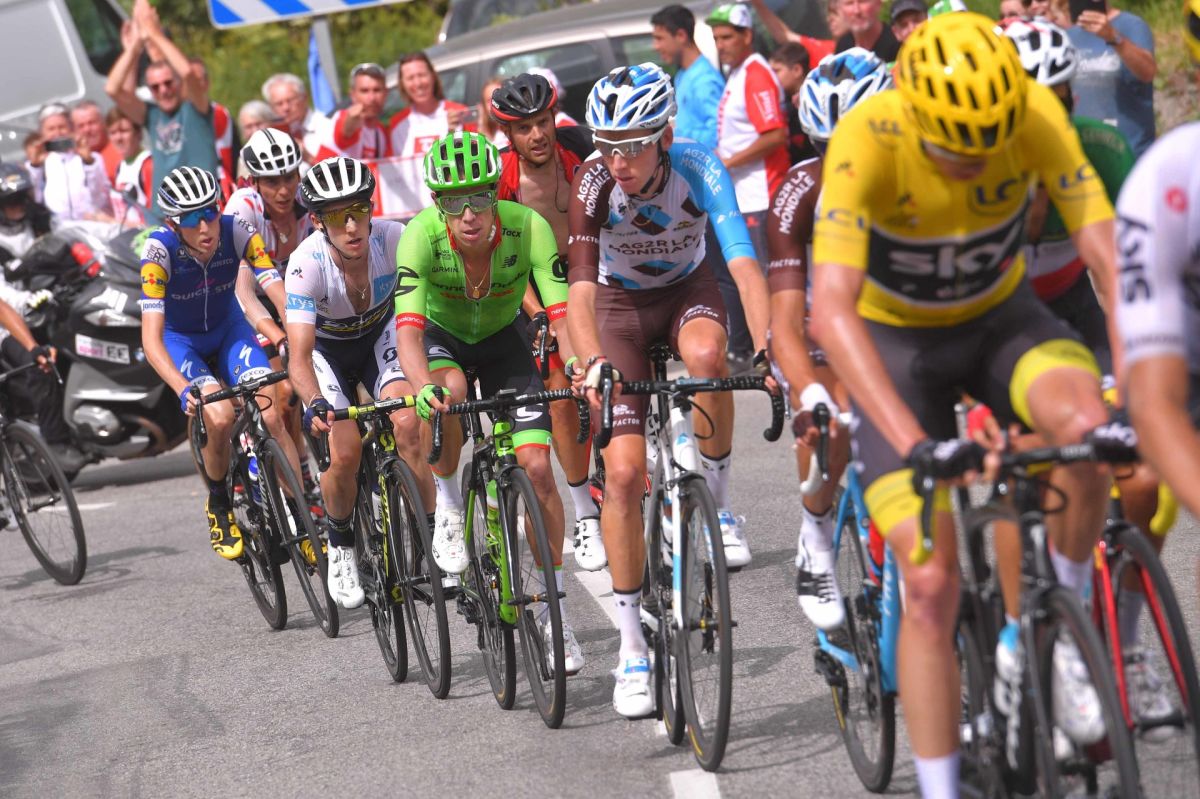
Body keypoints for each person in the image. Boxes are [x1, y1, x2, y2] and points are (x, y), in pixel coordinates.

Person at [809, 13, 1119, 796]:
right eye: (955, 145)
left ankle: (1055, 635)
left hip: (1000, 323)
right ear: (913, 114)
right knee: (929, 583)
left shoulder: (1033, 110)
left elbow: (1108, 254)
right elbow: (831, 312)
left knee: (1090, 434)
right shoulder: (868, 138)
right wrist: (915, 442)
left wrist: (1135, 388)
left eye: (990, 140)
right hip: (896, 347)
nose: (975, 159)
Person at [569, 64, 771, 716]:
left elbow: (743, 262)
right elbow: (579, 291)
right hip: (619, 309)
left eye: (632, 145)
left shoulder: (698, 165)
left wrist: (767, 345)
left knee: (710, 356)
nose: (618, 161)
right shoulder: (594, 182)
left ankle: (720, 504)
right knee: (625, 474)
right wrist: (592, 361)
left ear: (664, 135)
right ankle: (631, 644)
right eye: (607, 145)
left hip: (688, 291)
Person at [393, 131, 583, 674]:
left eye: (480, 197)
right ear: (437, 203)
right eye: (455, 202)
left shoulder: (528, 227)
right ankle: (451, 505)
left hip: (504, 340)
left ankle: (551, 613)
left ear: (496, 193)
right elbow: (408, 332)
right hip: (443, 340)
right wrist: (421, 386)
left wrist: (576, 364)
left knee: (537, 469)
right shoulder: (419, 236)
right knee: (449, 394)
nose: (470, 214)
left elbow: (562, 314)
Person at [768, 48, 892, 631]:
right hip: (822, 322)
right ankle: (816, 537)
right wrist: (811, 393)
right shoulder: (798, 192)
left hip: (891, 316)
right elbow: (787, 323)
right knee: (832, 421)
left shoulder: (921, 170)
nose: (843, 164)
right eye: (826, 148)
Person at [287, 156, 427, 609]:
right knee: (344, 450)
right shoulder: (305, 265)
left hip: (379, 338)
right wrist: (314, 401)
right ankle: (342, 545)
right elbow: (299, 356)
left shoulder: (395, 239)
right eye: (336, 217)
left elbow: (418, 315)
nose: (351, 226)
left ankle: (429, 533)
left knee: (408, 421)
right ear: (318, 222)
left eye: (358, 211)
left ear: (371, 209)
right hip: (327, 353)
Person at [139, 166, 293, 561]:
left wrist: (293, 334)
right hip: (182, 342)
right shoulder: (158, 252)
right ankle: (220, 503)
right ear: (174, 223)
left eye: (209, 211)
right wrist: (181, 388)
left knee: (271, 407)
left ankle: (299, 513)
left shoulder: (237, 229)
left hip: (229, 331)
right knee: (221, 417)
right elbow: (151, 339)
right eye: (192, 218)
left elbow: (275, 287)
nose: (205, 226)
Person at [490, 73, 602, 571]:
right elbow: (504, 260)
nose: (537, 135)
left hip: (588, 271)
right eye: (524, 128)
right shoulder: (502, 180)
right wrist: (540, 316)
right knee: (561, 391)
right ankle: (585, 513)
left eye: (542, 122)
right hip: (533, 284)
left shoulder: (581, 150)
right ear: (507, 134)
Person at [226, 130, 316, 498]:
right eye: (272, 182)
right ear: (255, 182)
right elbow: (244, 292)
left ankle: (301, 472)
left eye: (289, 178)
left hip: (291, 296)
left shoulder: (308, 198)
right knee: (280, 394)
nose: (283, 190)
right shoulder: (242, 208)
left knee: (296, 393)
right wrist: (281, 336)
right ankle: (258, 453)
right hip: (248, 300)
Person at [0, 165, 86, 475]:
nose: (18, 206)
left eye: (22, 197)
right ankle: (56, 441)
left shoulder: (42, 220)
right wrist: (27, 302)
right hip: (7, 324)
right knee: (38, 361)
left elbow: (77, 233)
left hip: (48, 308)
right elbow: (3, 300)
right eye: (10, 201)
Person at [105, 0, 218, 221]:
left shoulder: (195, 107)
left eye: (168, 83)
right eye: (155, 87)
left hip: (200, 211)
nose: (163, 90)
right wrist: (134, 47)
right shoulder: (152, 115)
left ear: (177, 83)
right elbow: (113, 89)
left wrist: (153, 33)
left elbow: (187, 73)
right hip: (163, 216)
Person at [1063, 1, 1157, 158]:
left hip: (1130, 153)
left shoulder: (1132, 25)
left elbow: (1148, 72)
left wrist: (1114, 37)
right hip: (1088, 155)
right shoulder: (1068, 35)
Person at [651, 5, 725, 151]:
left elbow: (719, 135)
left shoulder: (704, 80)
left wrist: (674, 134)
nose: (656, 46)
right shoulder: (683, 74)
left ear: (681, 36)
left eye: (660, 38)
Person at [30, 104, 112, 222]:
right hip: (58, 226)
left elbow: (100, 196)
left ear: (71, 128)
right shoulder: (40, 163)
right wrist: (35, 167)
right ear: (42, 133)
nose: (57, 133)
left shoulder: (92, 158)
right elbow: (35, 198)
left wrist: (89, 162)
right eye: (51, 129)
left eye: (62, 127)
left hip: (91, 223)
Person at [388, 52, 472, 166]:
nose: (418, 83)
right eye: (410, 78)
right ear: (402, 84)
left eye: (422, 75)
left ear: (433, 76)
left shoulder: (459, 113)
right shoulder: (395, 124)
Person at [314, 62, 389, 162]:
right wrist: (352, 119)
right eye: (364, 91)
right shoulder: (341, 117)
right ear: (352, 95)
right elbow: (346, 129)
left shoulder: (381, 131)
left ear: (386, 93)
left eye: (377, 90)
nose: (372, 98)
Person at [189, 57, 235, 196]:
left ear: (207, 83)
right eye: (191, 80)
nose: (195, 85)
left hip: (218, 185)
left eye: (198, 80)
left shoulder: (218, 113)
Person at [768, 42, 818, 163]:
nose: (771, 77)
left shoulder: (819, 102)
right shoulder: (782, 103)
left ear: (797, 70)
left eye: (776, 71)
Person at [262, 72, 329, 163]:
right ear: (271, 107)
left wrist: (308, 158)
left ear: (304, 98)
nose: (286, 108)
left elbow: (338, 168)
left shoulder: (326, 125)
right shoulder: (273, 135)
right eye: (279, 104)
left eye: (290, 101)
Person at [749, 0, 840, 63]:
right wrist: (758, 3)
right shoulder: (826, 49)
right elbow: (784, 35)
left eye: (835, 13)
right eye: (829, 14)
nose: (829, 19)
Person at [105, 106, 153, 226]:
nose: (118, 138)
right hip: (126, 235)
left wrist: (111, 222)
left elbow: (155, 219)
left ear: (138, 134)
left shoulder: (148, 164)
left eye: (124, 131)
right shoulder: (120, 167)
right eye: (113, 133)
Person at [71, 100, 122, 185]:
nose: (87, 130)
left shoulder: (121, 151)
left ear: (104, 123)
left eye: (92, 123)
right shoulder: (72, 161)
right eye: (81, 126)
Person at [837, 0, 901, 59]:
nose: (857, 11)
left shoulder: (897, 43)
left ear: (878, 4)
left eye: (862, 2)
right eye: (849, 3)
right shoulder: (843, 46)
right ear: (840, 10)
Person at [234, 101, 281, 181]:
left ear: (271, 123)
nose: (255, 130)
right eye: (249, 126)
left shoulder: (283, 147)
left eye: (259, 124)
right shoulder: (243, 158)